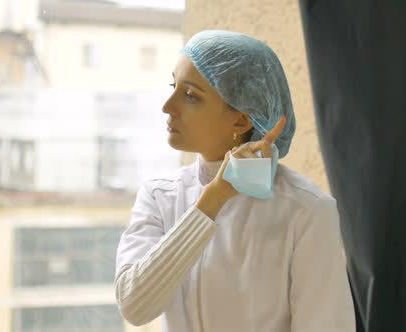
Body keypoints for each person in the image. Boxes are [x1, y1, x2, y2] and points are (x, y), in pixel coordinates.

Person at [114, 30, 355, 332]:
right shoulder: (160, 196)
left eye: (190, 96)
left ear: (242, 119)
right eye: (173, 86)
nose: (167, 106)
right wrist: (212, 199)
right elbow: (135, 306)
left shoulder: (306, 211)